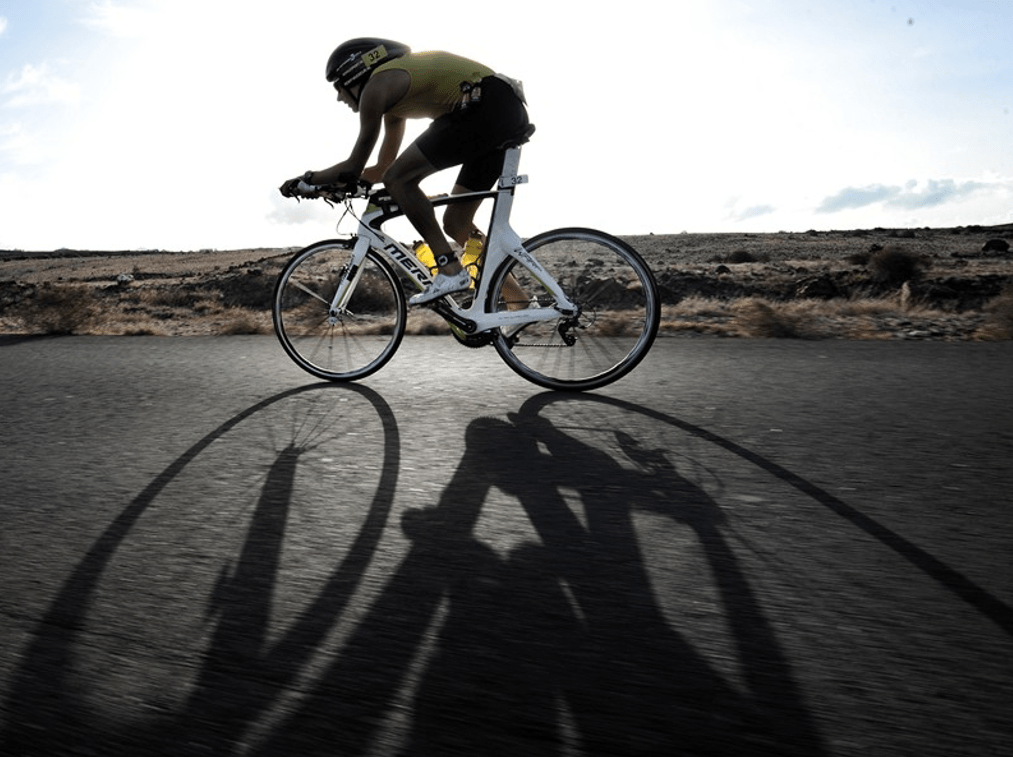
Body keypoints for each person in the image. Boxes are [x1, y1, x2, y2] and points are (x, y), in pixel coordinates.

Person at [280, 38, 532, 306]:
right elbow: (382, 168)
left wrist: (306, 180)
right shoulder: (394, 104)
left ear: (354, 73)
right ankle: (520, 301)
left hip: (486, 107)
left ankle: (449, 269)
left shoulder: (377, 87)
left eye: (339, 87)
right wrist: (335, 185)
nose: (339, 96)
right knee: (456, 222)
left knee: (400, 180)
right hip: (501, 110)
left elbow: (357, 165)